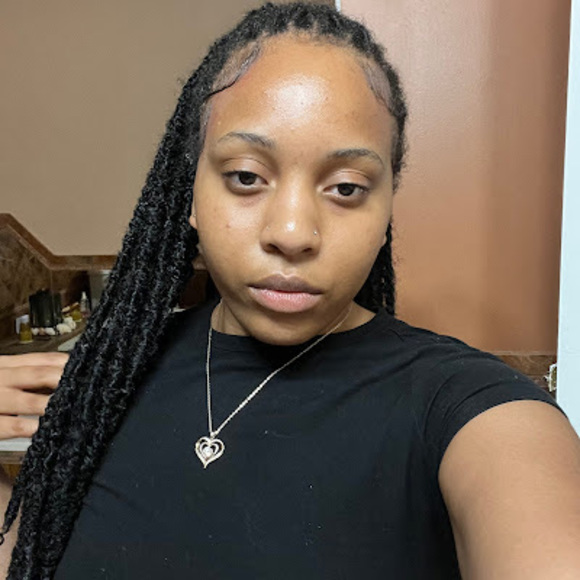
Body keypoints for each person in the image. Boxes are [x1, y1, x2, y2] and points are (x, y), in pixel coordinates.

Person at [1, 2, 580, 578]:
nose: (293, 233)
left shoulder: (468, 408)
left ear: (386, 213)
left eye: (346, 188)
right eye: (246, 177)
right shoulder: (106, 378)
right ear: (191, 195)